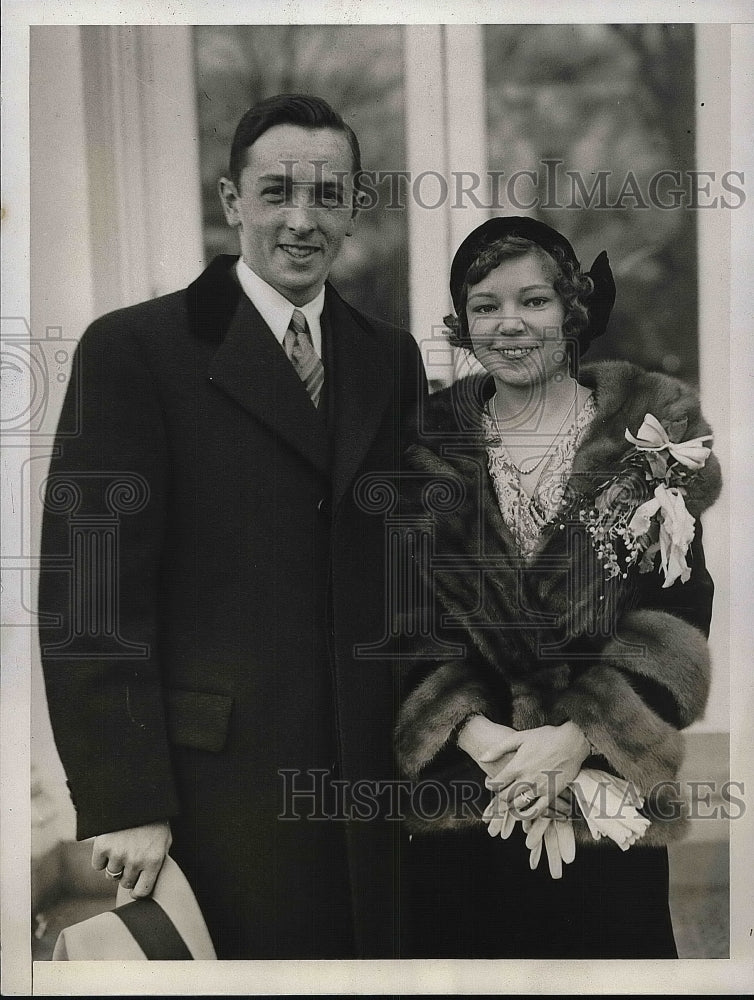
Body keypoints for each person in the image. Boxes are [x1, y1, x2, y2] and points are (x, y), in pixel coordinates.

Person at [38, 93, 426, 959]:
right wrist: (127, 795)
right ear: (230, 202)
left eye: (328, 196)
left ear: (354, 207)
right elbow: (91, 593)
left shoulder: (386, 357)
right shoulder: (135, 350)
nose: (301, 219)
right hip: (217, 790)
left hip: (368, 786)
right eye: (277, 190)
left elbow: (407, 567)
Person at [394, 216, 721, 958]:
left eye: (534, 301)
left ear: (572, 312)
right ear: (463, 322)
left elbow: (677, 623)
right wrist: (486, 743)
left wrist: (575, 742)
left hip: (605, 799)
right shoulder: (422, 454)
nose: (510, 325)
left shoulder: (647, 449)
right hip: (465, 794)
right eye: (486, 306)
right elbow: (397, 615)